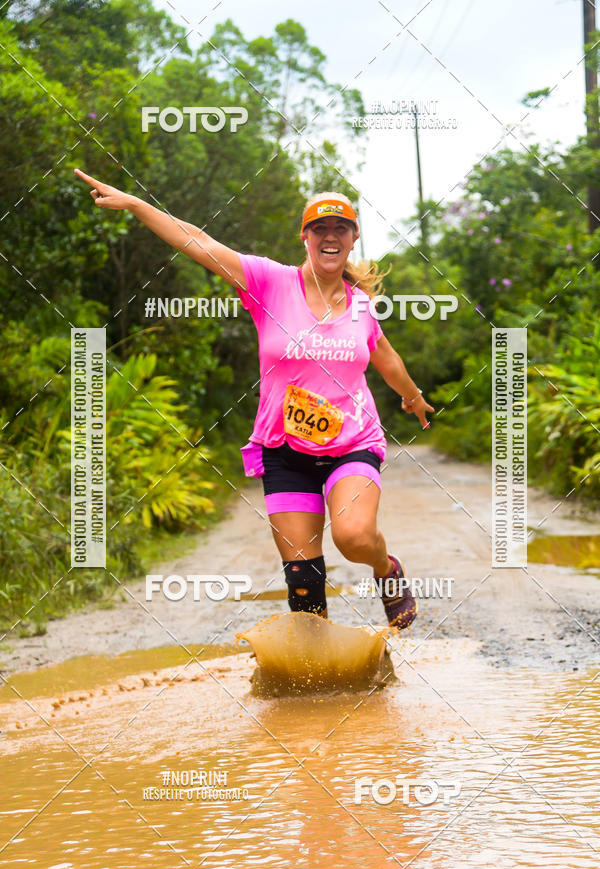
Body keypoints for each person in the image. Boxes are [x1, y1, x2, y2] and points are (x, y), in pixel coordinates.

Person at [74, 171, 435, 628]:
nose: (330, 236)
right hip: (284, 448)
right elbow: (198, 242)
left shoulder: (361, 305)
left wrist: (413, 397)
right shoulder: (269, 282)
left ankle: (387, 569)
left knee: (355, 536)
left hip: (352, 443)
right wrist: (136, 204)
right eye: (320, 228)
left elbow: (386, 357)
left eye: (340, 228)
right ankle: (320, 658)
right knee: (303, 581)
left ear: (353, 237)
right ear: (305, 237)